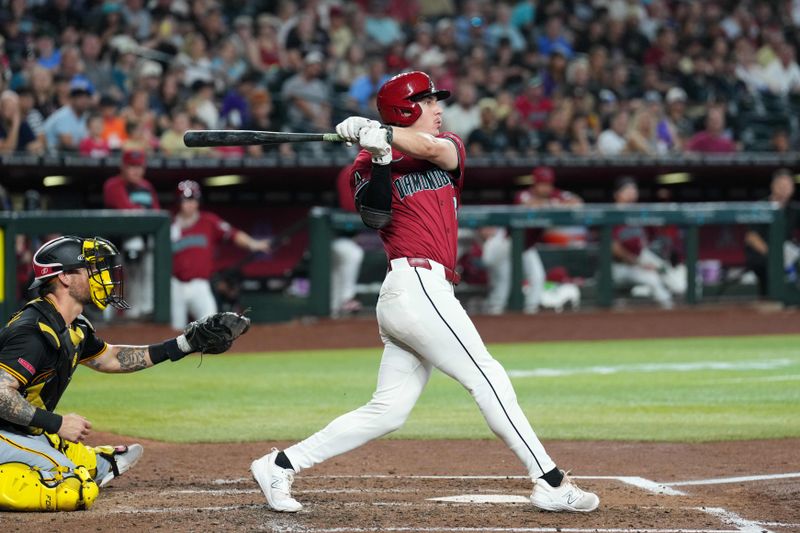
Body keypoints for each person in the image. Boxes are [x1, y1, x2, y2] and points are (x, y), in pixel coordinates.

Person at [250, 71, 599, 514]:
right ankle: (549, 481)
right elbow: (375, 218)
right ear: (406, 106)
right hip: (411, 287)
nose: (439, 109)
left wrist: (381, 133)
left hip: (427, 293)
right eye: (429, 101)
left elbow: (434, 150)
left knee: (389, 411)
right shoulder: (363, 165)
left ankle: (280, 464)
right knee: (487, 376)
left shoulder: (448, 145)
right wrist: (377, 155)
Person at [0, 236, 250, 511]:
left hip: (24, 431)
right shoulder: (32, 332)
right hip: (5, 432)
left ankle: (72, 459)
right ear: (65, 279)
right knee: (75, 488)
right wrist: (56, 423)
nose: (102, 276)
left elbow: (111, 358)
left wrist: (183, 345)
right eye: (91, 269)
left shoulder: (73, 327)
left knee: (95, 467)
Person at [481, 166, 584, 314]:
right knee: (502, 278)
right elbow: (529, 205)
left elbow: (577, 202)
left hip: (526, 247)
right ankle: (494, 313)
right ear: (535, 184)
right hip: (505, 243)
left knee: (537, 277)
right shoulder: (523, 195)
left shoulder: (555, 195)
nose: (546, 188)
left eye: (548, 184)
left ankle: (530, 312)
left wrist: (552, 204)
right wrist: (554, 205)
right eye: (542, 184)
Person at [171, 180, 270, 330]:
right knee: (173, 331)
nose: (190, 204)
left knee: (211, 327)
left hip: (200, 285)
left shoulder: (208, 221)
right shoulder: (169, 224)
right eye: (185, 200)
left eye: (193, 200)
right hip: (174, 285)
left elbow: (233, 234)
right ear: (178, 202)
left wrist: (253, 244)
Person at [102, 148, 159, 318]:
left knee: (150, 266)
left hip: (145, 242)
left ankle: (145, 311)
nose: (136, 170)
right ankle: (128, 314)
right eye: (131, 166)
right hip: (118, 246)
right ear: (123, 167)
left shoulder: (147, 187)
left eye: (139, 166)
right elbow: (128, 211)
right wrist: (141, 211)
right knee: (134, 246)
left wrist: (142, 212)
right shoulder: (113, 184)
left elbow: (156, 214)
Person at [610, 177, 683, 309]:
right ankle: (670, 310)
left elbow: (655, 232)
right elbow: (614, 248)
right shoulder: (610, 215)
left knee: (667, 272)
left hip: (640, 258)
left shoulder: (638, 213)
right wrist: (640, 264)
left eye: (634, 189)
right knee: (652, 278)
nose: (632, 192)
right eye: (627, 189)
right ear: (617, 194)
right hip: (618, 267)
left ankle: (683, 301)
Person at [744, 168, 799, 295]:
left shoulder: (793, 209)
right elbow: (751, 237)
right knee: (770, 265)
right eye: (781, 185)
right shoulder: (761, 207)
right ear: (773, 186)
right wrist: (775, 256)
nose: (785, 189)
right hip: (763, 254)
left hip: (786, 252)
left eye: (788, 185)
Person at [331, 165, 366, 317]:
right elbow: (349, 205)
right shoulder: (350, 172)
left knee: (338, 271)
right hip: (330, 238)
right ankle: (346, 299)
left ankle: (336, 307)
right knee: (352, 253)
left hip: (341, 240)